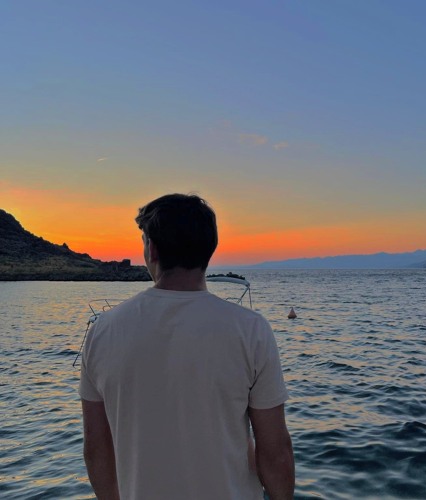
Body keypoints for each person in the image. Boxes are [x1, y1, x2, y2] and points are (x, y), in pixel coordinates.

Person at [79, 193, 294, 500]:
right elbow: (275, 453)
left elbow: (96, 448)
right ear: (209, 249)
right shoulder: (250, 330)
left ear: (152, 249)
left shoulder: (102, 331)